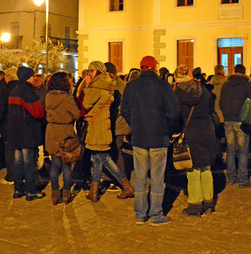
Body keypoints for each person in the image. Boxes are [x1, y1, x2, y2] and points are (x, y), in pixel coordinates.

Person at [121, 55, 180, 226]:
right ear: (155, 68)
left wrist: (135, 123)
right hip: (158, 137)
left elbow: (124, 110)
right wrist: (167, 128)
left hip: (139, 137)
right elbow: (174, 112)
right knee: (157, 178)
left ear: (141, 68)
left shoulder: (131, 86)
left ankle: (140, 214)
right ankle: (156, 214)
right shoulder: (163, 86)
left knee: (139, 177)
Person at [82, 61, 133, 202]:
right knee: (97, 159)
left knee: (104, 158)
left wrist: (87, 86)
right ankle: (94, 192)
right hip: (102, 126)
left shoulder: (96, 87)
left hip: (97, 128)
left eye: (91, 70)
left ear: (97, 71)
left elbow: (86, 104)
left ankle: (127, 186)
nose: (89, 73)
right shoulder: (106, 85)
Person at [173, 71, 217, 216]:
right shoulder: (203, 90)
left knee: (192, 170)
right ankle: (208, 201)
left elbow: (175, 115)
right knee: (206, 168)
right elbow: (211, 109)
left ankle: (195, 204)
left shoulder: (178, 94)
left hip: (190, 131)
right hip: (207, 129)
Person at [7, 66, 46, 201]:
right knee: (29, 162)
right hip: (28, 133)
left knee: (18, 162)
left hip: (15, 132)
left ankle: (18, 189)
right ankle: (30, 191)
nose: (34, 77)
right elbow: (38, 112)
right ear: (28, 77)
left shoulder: (14, 90)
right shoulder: (28, 92)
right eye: (32, 75)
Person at [45, 71, 81, 205]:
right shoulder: (67, 98)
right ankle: (66, 192)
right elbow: (77, 114)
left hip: (51, 130)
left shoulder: (48, 96)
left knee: (54, 164)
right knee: (66, 164)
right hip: (65, 130)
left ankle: (55, 193)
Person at [219, 64, 251, 187]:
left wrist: (226, 113)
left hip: (228, 119)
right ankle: (243, 178)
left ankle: (231, 177)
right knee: (243, 150)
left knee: (230, 150)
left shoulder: (226, 85)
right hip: (241, 120)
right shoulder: (247, 85)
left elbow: (221, 103)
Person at [0, 66, 19, 184]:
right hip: (24, 125)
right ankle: (22, 174)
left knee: (10, 150)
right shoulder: (25, 90)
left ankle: (11, 176)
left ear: (9, 78)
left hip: (8, 125)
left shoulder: (5, 92)